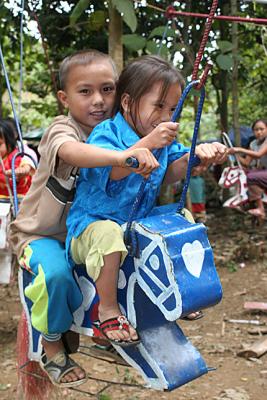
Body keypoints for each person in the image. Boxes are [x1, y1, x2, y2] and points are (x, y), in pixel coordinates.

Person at [9, 50, 159, 388]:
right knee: (58, 277)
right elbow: (73, 152)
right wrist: (125, 156)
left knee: (126, 253)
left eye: (107, 89)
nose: (98, 101)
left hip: (84, 230)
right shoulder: (63, 129)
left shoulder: (117, 130)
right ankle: (50, 343)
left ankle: (105, 327)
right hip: (42, 236)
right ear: (64, 98)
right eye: (85, 91)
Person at [66, 55, 228, 347]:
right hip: (90, 227)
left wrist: (198, 157)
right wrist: (149, 142)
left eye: (172, 108)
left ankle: (184, 288)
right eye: (158, 106)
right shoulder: (107, 133)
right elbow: (114, 171)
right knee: (108, 233)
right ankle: (108, 309)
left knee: (183, 221)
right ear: (128, 103)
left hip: (136, 221)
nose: (166, 115)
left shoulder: (161, 140)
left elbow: (170, 172)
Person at [230, 119, 267, 220]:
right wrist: (235, 154)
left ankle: (260, 208)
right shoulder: (253, 143)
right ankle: (243, 201)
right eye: (256, 130)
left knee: (250, 177)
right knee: (242, 173)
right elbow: (246, 162)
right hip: (263, 172)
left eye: (261, 129)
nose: (259, 132)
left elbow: (258, 155)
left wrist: (239, 149)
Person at [0, 120, 34, 199]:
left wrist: (22, 171)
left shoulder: (15, 157)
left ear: (9, 142)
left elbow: (26, 167)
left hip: (16, 202)